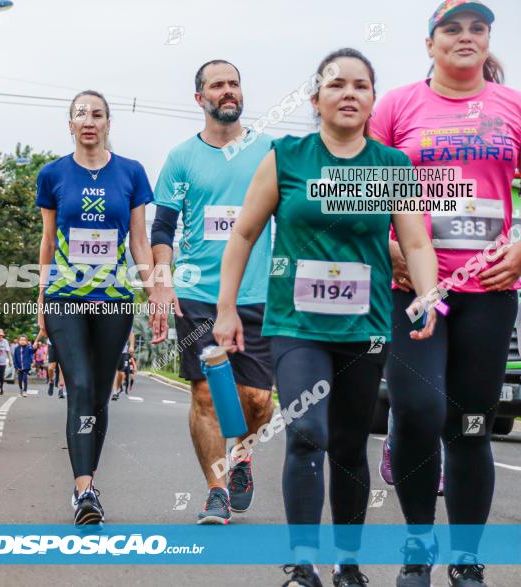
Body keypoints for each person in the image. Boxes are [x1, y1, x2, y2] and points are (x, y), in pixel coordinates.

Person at [213, 49, 439, 587]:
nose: (349, 94)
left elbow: (415, 241)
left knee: (348, 445)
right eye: (337, 85)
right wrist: (226, 310)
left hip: (364, 328)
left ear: (372, 101)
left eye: (361, 86)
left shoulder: (390, 166)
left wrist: (429, 294)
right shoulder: (286, 157)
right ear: (315, 99)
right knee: (307, 433)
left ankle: (348, 562)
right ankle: (302, 563)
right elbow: (243, 233)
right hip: (295, 326)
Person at [370, 2, 521, 585]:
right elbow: (355, 191)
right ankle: (416, 543)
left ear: (488, 41)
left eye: (477, 28)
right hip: (415, 289)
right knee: (416, 409)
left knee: (471, 423)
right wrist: (388, 248)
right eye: (451, 29)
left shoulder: (510, 107)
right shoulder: (398, 106)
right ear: (430, 43)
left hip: (489, 288)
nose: (465, 37)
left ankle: (466, 558)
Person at [151, 59, 276, 523]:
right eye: (217, 85)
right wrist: (161, 279)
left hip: (259, 291)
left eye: (234, 84)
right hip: (198, 290)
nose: (228, 91)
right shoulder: (182, 158)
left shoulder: (269, 152)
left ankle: (243, 453)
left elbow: (295, 219)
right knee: (205, 395)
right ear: (199, 97)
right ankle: (216, 490)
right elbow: (163, 228)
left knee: (259, 399)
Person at [36, 89, 167, 525]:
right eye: (80, 114)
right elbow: (48, 241)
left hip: (113, 300)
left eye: (97, 114)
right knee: (80, 385)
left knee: (100, 393)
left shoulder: (131, 172)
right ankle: (84, 489)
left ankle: (89, 478)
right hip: (65, 298)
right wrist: (41, 298)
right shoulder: (53, 174)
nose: (88, 120)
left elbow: (140, 240)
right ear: (69, 124)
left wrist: (155, 294)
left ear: (109, 123)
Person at [111, 332, 135, 401]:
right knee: (115, 371)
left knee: (121, 373)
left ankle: (117, 389)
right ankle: (114, 392)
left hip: (123, 351)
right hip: (111, 349)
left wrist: (131, 346)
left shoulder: (125, 320)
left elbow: (131, 332)